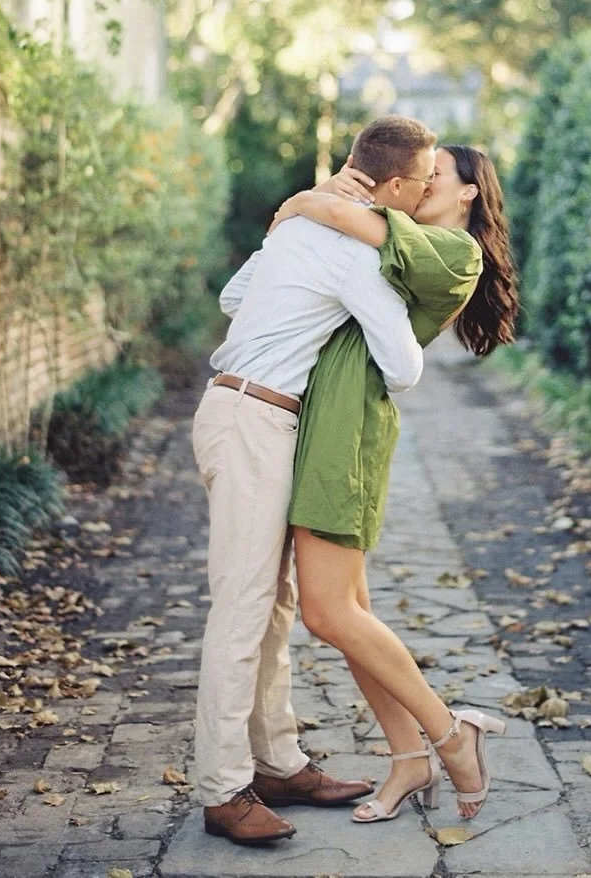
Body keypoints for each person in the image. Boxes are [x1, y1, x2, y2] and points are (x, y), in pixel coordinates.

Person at [192, 115, 438, 846]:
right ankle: (222, 787)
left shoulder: (302, 226)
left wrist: (295, 217)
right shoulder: (358, 256)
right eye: (424, 183)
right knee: (241, 608)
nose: (427, 195)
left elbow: (235, 298)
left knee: (274, 605)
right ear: (392, 184)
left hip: (247, 413)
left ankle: (278, 762)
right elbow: (406, 368)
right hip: (253, 419)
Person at [269, 144, 520, 823]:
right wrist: (313, 209)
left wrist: (303, 200)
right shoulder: (413, 240)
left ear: (471, 192)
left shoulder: (453, 253)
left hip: (345, 431)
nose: (423, 177)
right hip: (326, 417)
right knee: (350, 614)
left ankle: (449, 736)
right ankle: (408, 760)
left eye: (439, 171)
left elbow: (337, 218)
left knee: (327, 612)